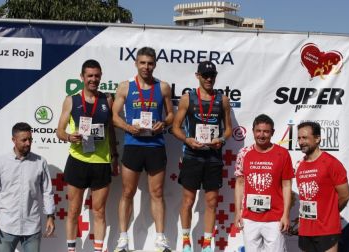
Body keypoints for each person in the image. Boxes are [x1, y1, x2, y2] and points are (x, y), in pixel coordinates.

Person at [112, 46, 174, 252]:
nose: (146, 67)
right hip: (133, 145)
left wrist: (163, 124)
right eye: (142, 63)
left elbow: (171, 115)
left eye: (150, 63)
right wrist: (127, 127)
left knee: (157, 192)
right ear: (136, 64)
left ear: (155, 64)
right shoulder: (125, 87)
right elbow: (114, 116)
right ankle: (123, 239)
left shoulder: (163, 87)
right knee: (127, 192)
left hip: (155, 145)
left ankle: (160, 239)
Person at [56, 59, 119, 252]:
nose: (93, 79)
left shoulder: (107, 99)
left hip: (101, 162)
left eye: (97, 76)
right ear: (82, 77)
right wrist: (68, 136)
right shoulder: (72, 100)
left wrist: (115, 156)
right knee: (74, 211)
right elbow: (59, 130)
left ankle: (98, 250)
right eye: (90, 76)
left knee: (99, 211)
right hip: (78, 161)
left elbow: (110, 130)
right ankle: (71, 250)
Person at [172, 61, 232, 252]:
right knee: (188, 201)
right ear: (197, 76)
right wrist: (188, 140)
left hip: (213, 156)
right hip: (192, 155)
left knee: (212, 202)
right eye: (205, 75)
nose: (208, 79)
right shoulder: (188, 98)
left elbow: (229, 129)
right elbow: (175, 127)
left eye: (212, 75)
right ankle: (186, 240)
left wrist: (221, 139)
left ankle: (207, 243)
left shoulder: (223, 100)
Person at [0, 122, 55, 252]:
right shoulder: (1, 162)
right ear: (14, 140)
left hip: (32, 227)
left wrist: (50, 216)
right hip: (7, 227)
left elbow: (47, 191)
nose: (28, 143)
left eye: (30, 139)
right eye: (24, 140)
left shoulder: (40, 162)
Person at [234, 114, 293, 252]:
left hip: (274, 219)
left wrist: (286, 215)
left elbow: (286, 185)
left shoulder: (282, 154)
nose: (262, 135)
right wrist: (238, 212)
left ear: (272, 133)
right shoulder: (244, 153)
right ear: (253, 131)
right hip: (249, 218)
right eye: (258, 131)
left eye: (266, 131)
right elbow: (239, 183)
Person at [295, 121, 349, 252]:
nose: (301, 142)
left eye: (305, 138)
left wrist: (328, 213)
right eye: (299, 138)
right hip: (305, 230)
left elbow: (345, 195)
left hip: (327, 230)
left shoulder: (331, 163)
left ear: (317, 138)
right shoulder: (300, 165)